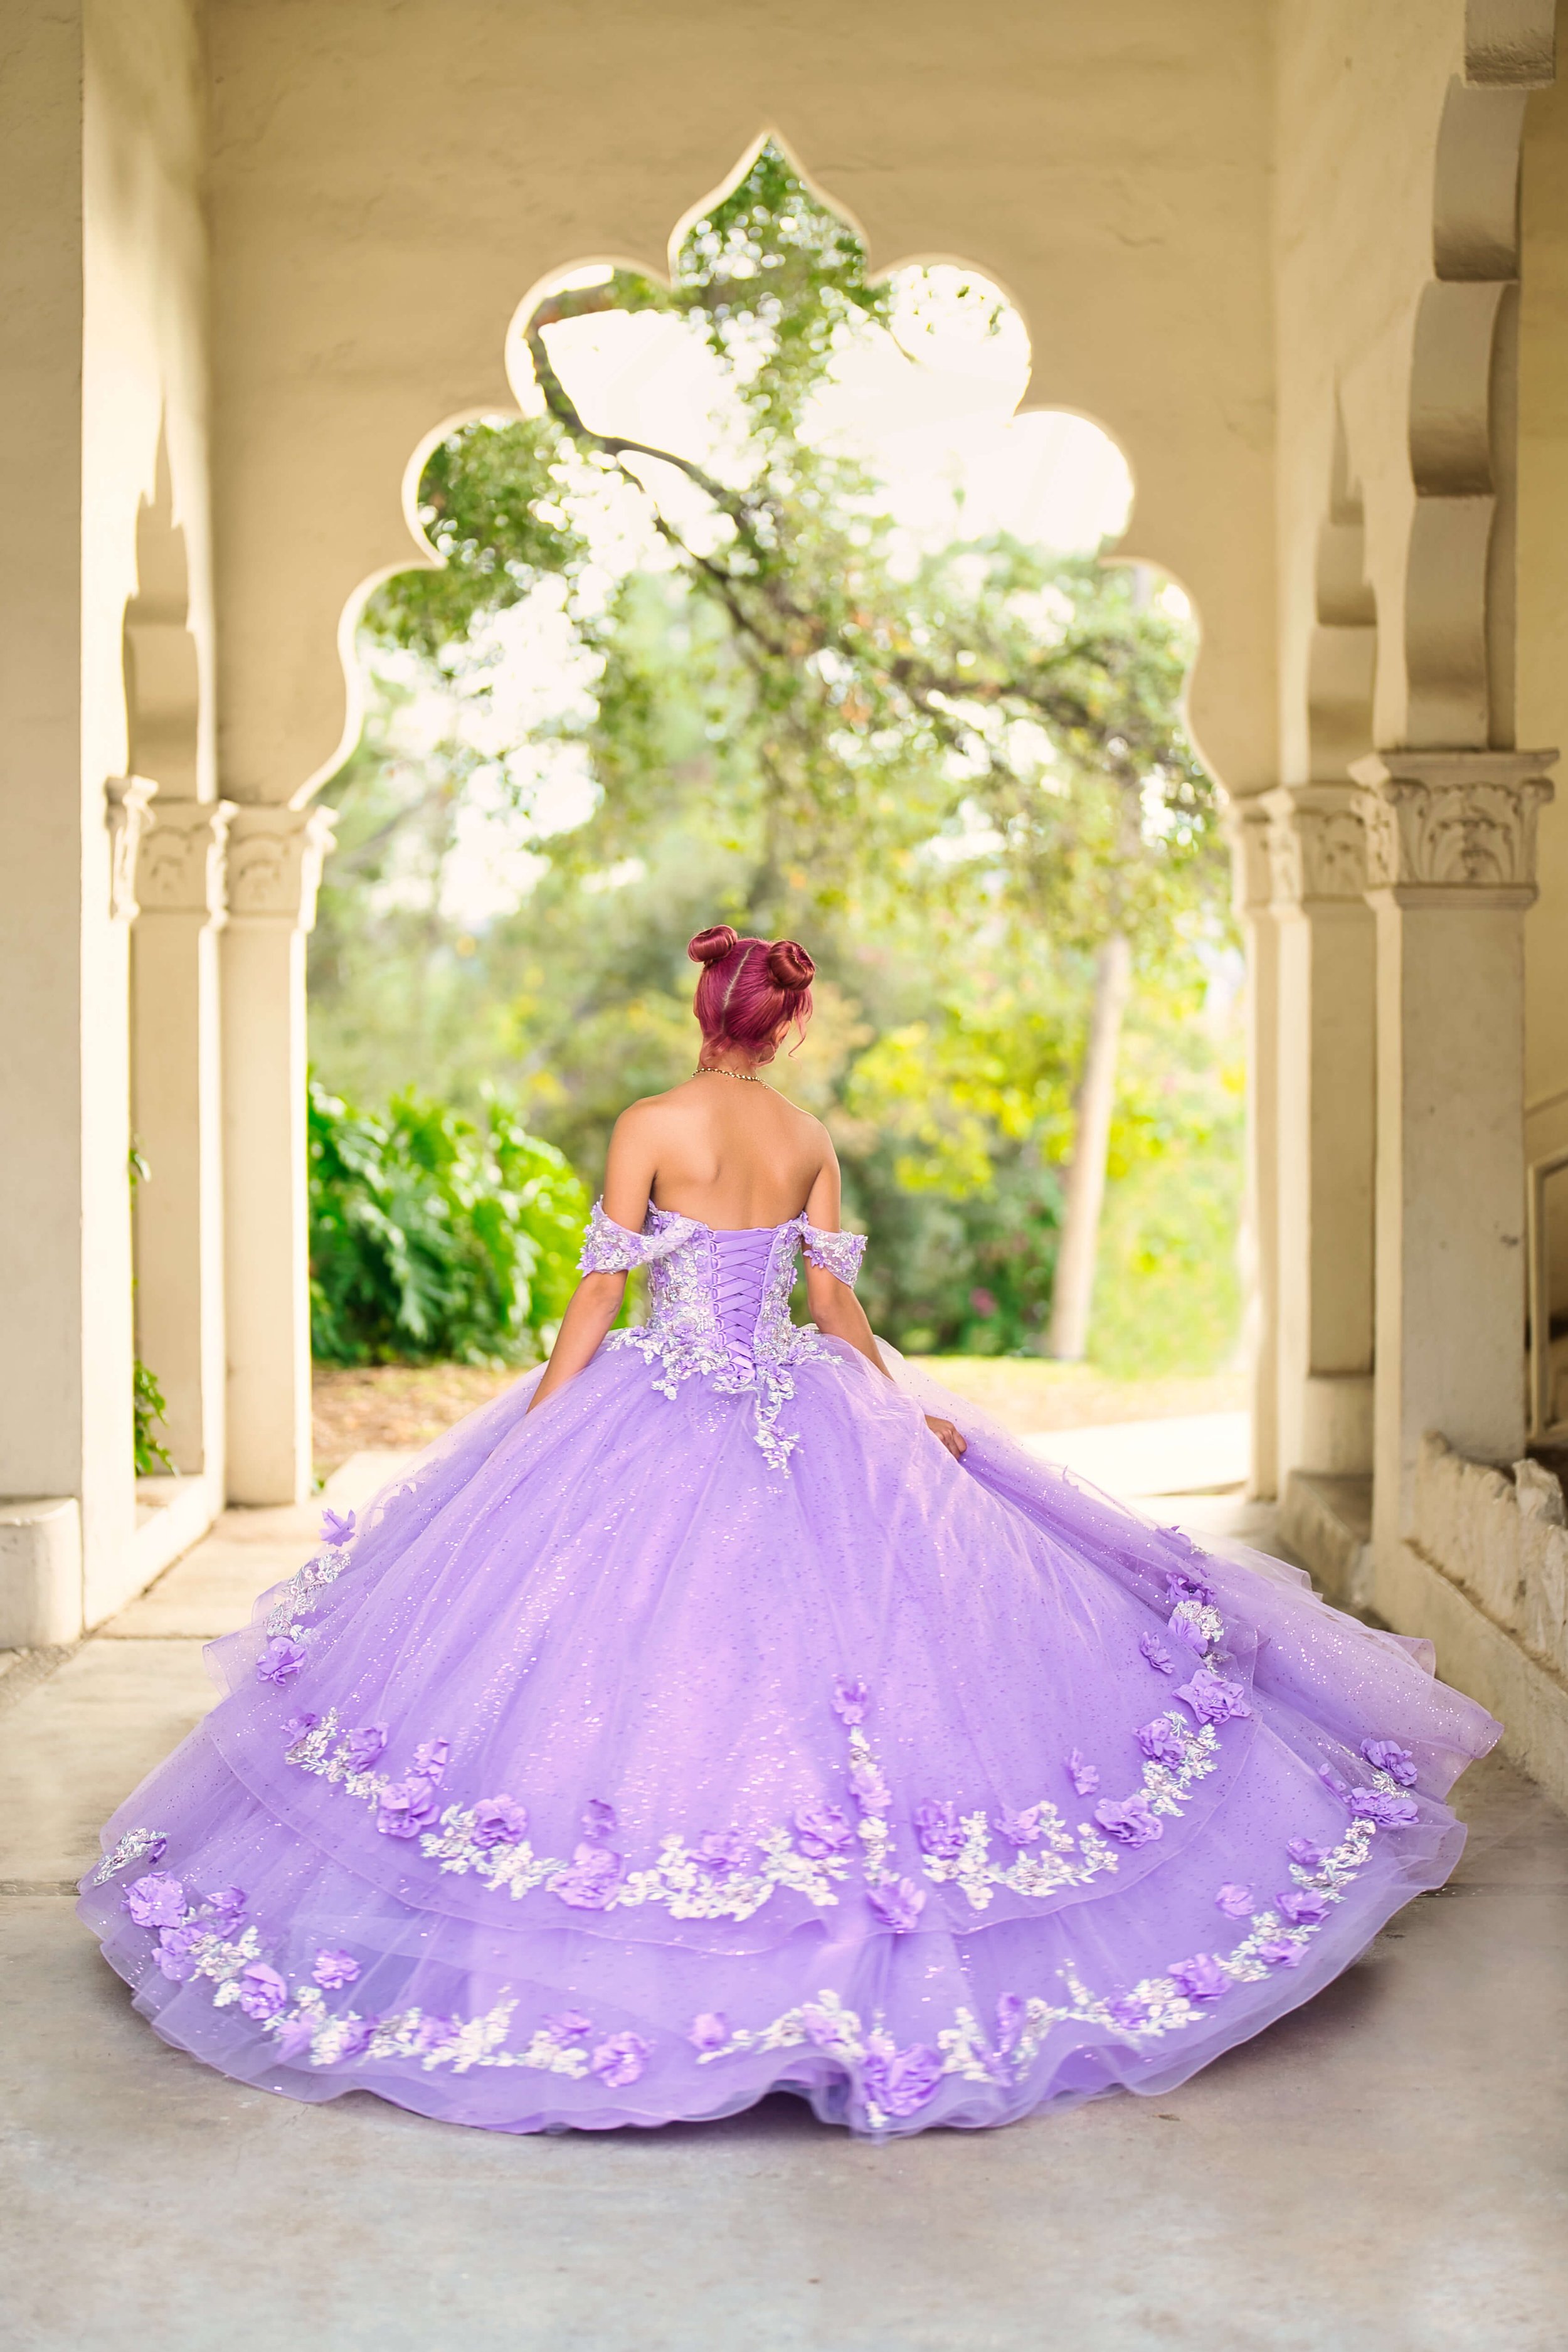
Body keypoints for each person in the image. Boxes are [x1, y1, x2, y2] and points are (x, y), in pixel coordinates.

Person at [79, 926, 1497, 2138]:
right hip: (794, 1403)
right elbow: (831, 1312)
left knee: (615, 1668)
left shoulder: (650, 1126)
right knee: (845, 1658)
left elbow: (597, 1300)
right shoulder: (804, 1137)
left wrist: (539, 1431)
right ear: (788, 1023)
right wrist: (898, 1410)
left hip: (658, 1400)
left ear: (702, 1015)